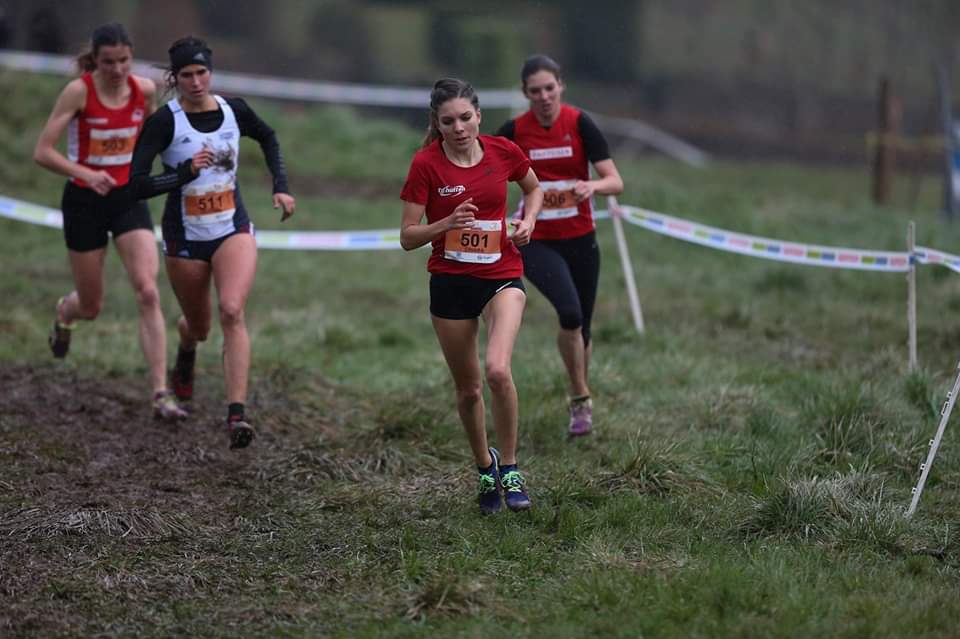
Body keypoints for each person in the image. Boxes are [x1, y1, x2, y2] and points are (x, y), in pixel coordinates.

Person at [128, 36, 296, 449]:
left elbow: (269, 137)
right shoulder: (165, 122)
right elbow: (136, 184)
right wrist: (182, 174)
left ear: (211, 73)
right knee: (200, 327)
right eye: (187, 75)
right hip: (185, 236)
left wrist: (281, 187)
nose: (196, 81)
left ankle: (236, 414)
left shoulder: (233, 110)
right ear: (176, 78)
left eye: (202, 73)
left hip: (231, 227)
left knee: (232, 310)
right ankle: (186, 350)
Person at [400, 78, 543, 514]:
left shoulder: (504, 151)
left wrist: (529, 222)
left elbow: (534, 189)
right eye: (448, 121)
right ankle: (485, 467)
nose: (459, 127)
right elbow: (407, 237)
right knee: (469, 391)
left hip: (502, 274)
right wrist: (445, 225)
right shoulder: (426, 164)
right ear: (437, 124)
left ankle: (512, 468)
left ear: (478, 115)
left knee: (498, 370)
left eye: (465, 117)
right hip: (450, 281)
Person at [33, 23, 187, 421]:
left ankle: (160, 393)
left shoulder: (144, 90)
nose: (117, 70)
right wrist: (86, 174)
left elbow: (152, 135)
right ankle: (65, 314)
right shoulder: (79, 91)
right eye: (108, 62)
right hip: (84, 200)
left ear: (131, 57)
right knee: (91, 305)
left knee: (148, 291)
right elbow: (43, 152)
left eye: (124, 61)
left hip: (126, 199)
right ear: (95, 61)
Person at [496, 54, 624, 438]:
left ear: (560, 87)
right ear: (525, 94)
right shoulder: (514, 131)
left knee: (582, 329)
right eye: (535, 91)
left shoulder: (580, 123)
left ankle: (578, 394)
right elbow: (482, 168)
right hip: (536, 241)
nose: (544, 96)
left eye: (549, 88)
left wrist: (592, 187)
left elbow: (615, 180)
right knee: (568, 313)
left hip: (581, 240)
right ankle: (581, 401)